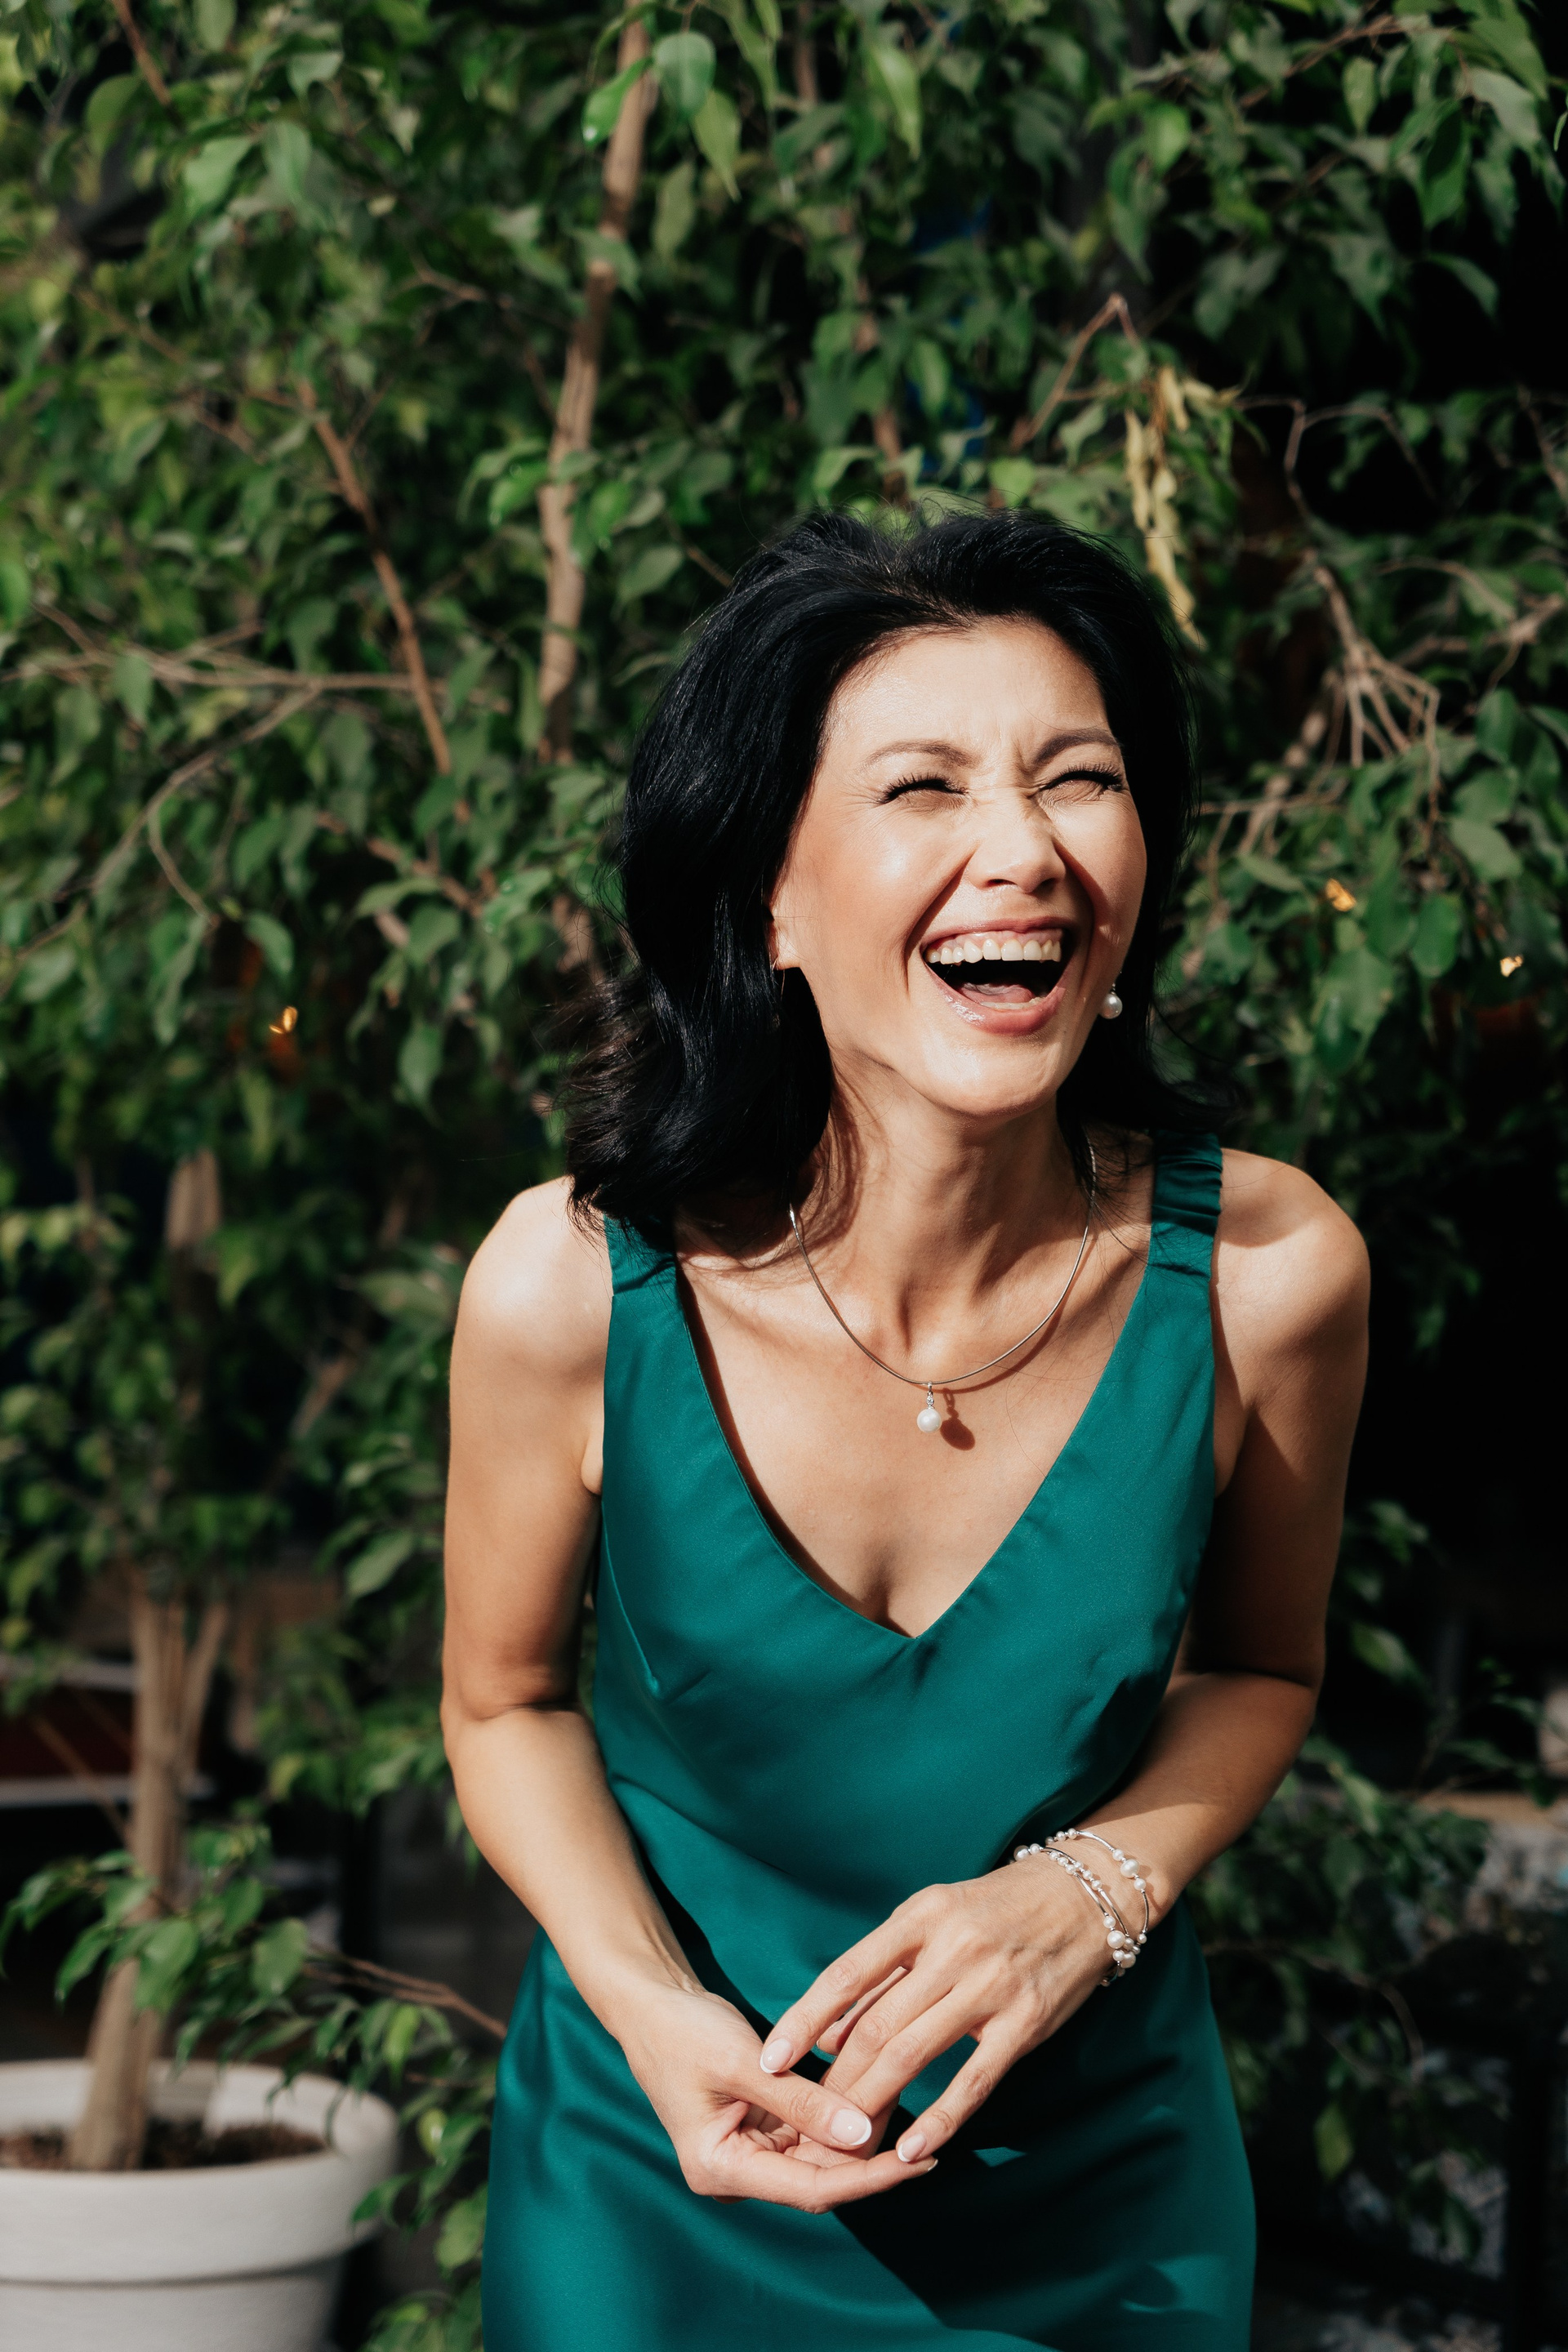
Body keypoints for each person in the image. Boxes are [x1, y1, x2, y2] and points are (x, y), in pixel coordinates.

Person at [444, 510, 1369, 2350]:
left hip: (1102, 2217)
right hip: (657, 2184)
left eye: (1078, 780)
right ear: (769, 902)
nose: (1022, 851)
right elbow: (503, 1705)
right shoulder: (571, 1288)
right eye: (924, 787)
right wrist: (652, 2010)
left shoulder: (1271, 1279)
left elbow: (1263, 1671)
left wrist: (1086, 1892)